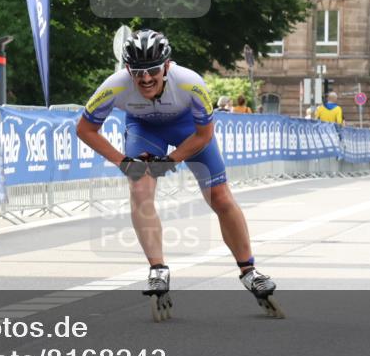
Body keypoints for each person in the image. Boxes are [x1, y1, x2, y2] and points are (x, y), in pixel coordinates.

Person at [76, 29, 283, 320]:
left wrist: (170, 160)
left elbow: (204, 135)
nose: (145, 79)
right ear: (127, 69)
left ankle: (249, 270)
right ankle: (157, 269)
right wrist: (124, 162)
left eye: (152, 71)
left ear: (166, 66)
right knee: (139, 190)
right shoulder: (114, 86)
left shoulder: (190, 83)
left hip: (189, 130)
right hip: (144, 130)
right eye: (137, 72)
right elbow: (84, 129)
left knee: (221, 198)